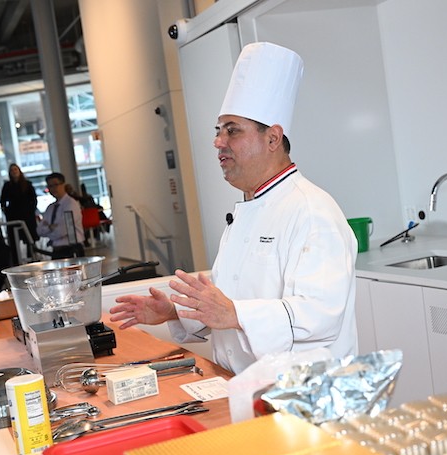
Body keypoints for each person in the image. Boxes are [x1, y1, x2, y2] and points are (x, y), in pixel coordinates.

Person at [109, 42, 358, 374]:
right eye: (218, 131)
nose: (218, 142)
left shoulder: (312, 212)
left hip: (303, 398)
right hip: (242, 385)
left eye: (232, 131)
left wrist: (235, 314)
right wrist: (173, 311)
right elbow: (228, 304)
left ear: (272, 138)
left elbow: (320, 317)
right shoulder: (248, 210)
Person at [37, 172, 85, 259]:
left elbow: (62, 230)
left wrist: (49, 229)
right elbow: (39, 230)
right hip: (56, 251)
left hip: (71, 249)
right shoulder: (50, 208)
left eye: (55, 185)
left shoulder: (71, 204)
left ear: (63, 185)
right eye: (50, 186)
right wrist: (50, 228)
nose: (53, 189)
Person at [0, 163, 39, 263]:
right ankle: (16, 261)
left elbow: (33, 199)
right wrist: (7, 212)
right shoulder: (7, 185)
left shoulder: (27, 184)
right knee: (13, 241)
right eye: (12, 170)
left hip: (27, 214)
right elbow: (3, 201)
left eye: (15, 170)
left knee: (29, 239)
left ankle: (32, 259)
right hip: (13, 215)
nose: (14, 172)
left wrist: (31, 210)